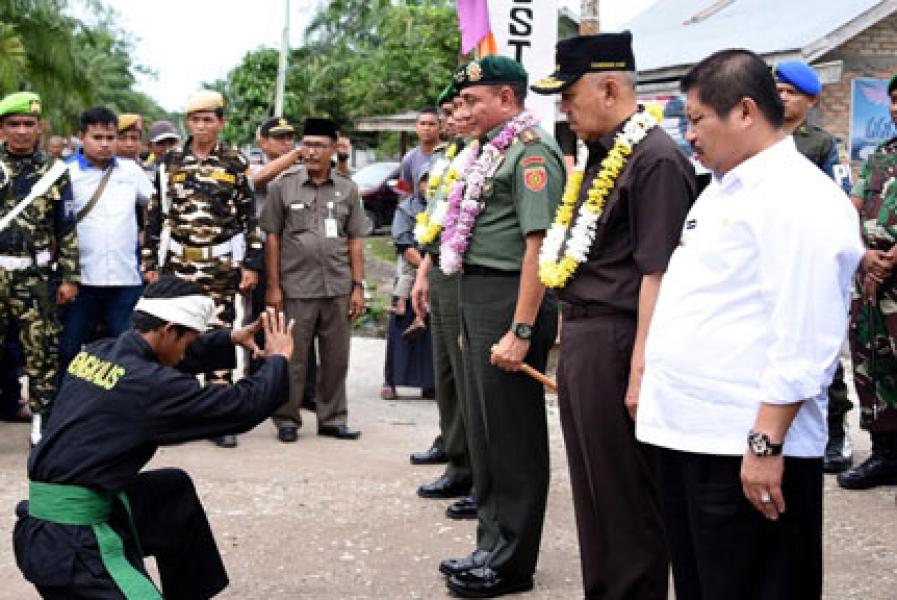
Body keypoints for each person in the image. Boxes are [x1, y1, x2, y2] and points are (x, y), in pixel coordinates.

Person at [635, 49, 863, 598]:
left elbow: (804, 329)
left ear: (743, 112)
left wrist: (766, 442)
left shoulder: (799, 198)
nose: (689, 135)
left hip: (743, 447)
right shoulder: (725, 188)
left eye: (696, 119)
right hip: (694, 436)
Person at [529, 32, 698, 599]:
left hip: (621, 339)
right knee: (596, 493)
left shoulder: (655, 160)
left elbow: (660, 274)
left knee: (626, 496)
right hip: (585, 334)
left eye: (568, 95)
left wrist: (640, 369)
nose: (564, 109)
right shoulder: (602, 153)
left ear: (607, 87)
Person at [13, 276, 294, 599]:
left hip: (43, 527)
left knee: (171, 492)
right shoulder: (151, 388)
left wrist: (229, 338)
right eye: (188, 339)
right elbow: (242, 407)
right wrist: (278, 359)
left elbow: (167, 357)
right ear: (168, 329)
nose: (187, 351)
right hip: (72, 547)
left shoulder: (101, 351)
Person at [435, 55, 565, 598]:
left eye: (471, 100)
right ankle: (491, 543)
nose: (462, 110)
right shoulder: (490, 150)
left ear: (506, 100)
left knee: (512, 436)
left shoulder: (533, 152)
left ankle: (513, 562)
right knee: (486, 433)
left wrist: (522, 329)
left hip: (512, 296)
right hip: (479, 292)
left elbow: (539, 247)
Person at [141, 91, 263, 449]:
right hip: (178, 262)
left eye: (209, 119)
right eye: (195, 120)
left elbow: (249, 218)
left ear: (221, 123)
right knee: (173, 333)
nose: (201, 126)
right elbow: (155, 216)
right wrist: (150, 262)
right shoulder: (169, 162)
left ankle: (218, 417)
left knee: (220, 333)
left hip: (221, 265)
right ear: (187, 123)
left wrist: (251, 265)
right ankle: (172, 411)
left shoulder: (235, 162)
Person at [261, 117, 366, 442]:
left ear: (334, 149)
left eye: (319, 146)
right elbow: (273, 238)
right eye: (307, 144)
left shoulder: (347, 188)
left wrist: (358, 286)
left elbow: (356, 240)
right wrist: (274, 286)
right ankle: (287, 419)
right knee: (293, 357)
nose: (311, 151)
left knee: (337, 357)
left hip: (337, 286)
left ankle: (333, 418)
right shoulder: (283, 185)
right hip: (296, 287)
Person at [773, 60, 855, 474]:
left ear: (810, 100)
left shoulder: (819, 144)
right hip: (771, 254)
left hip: (808, 253)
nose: (783, 98)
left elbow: (839, 198)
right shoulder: (758, 140)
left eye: (792, 93)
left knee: (819, 348)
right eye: (778, 90)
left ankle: (835, 432)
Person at [410, 77, 477, 520]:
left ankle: (476, 470)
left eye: (458, 110)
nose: (452, 119)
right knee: (448, 379)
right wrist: (422, 271)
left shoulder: (482, 157)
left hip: (471, 281)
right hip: (441, 273)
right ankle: (457, 458)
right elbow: (435, 222)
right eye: (448, 111)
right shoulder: (449, 158)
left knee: (471, 385)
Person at [0, 91, 79, 430]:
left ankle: (41, 424)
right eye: (13, 124)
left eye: (27, 124)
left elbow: (68, 226)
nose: (21, 131)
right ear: (2, 129)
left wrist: (69, 277)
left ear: (39, 128)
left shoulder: (55, 172)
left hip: (36, 277)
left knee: (41, 351)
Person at [58, 107, 153, 375]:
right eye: (97, 137)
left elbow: (156, 207)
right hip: (81, 281)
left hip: (126, 280)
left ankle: (122, 411)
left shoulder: (131, 171)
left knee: (128, 351)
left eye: (110, 137)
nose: (104, 144)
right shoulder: (64, 173)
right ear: (81, 137)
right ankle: (66, 409)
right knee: (69, 349)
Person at [837, 73, 897, 493]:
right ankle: (885, 454)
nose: (895, 108)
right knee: (871, 366)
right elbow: (852, 207)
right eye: (893, 101)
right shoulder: (880, 156)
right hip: (874, 282)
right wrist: (864, 255)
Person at [251, 116, 317, 411]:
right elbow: (257, 179)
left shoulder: (302, 171)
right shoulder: (251, 163)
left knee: (302, 322)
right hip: (263, 253)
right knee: (262, 319)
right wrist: (295, 155)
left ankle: (304, 391)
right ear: (262, 142)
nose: (287, 143)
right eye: (279, 138)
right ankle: (256, 386)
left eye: (291, 138)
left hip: (299, 256)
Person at [383, 167, 435, 399]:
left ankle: (430, 383)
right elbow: (403, 243)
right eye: (424, 181)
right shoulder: (406, 208)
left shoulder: (445, 206)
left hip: (438, 275)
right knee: (401, 327)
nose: (428, 186)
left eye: (433, 181)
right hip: (409, 274)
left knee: (432, 332)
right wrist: (426, 266)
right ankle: (391, 381)